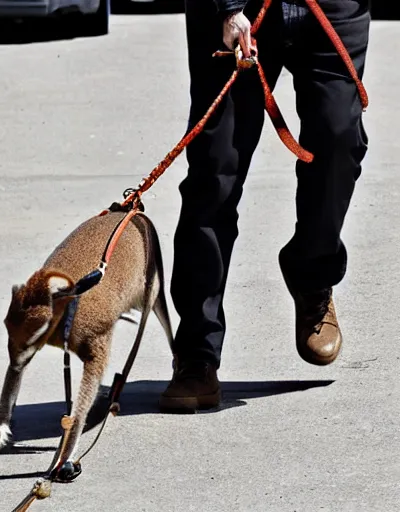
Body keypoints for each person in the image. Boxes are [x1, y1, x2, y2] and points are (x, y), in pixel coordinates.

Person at [159, 0, 371, 412]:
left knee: (338, 140)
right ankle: (197, 354)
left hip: (330, 7)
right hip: (237, 9)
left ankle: (312, 276)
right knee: (216, 170)